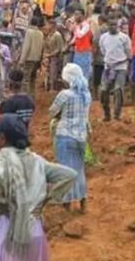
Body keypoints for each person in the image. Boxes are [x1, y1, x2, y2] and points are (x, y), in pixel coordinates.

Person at [0, 114, 76, 261]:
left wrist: (3, 198)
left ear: (2, 138)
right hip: (35, 229)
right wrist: (47, 199)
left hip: (9, 230)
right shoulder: (37, 160)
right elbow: (69, 175)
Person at [50, 63, 90, 213]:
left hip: (65, 135)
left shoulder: (64, 95)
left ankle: (66, 205)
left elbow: (52, 111)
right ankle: (82, 201)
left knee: (65, 170)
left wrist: (59, 116)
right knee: (79, 169)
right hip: (81, 136)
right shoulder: (86, 95)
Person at [99, 19, 131, 121]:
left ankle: (116, 115)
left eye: (114, 25)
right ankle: (106, 114)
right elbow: (103, 50)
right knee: (104, 91)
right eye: (110, 25)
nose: (112, 27)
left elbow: (128, 52)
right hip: (108, 67)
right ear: (107, 26)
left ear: (118, 26)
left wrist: (126, 64)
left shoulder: (124, 38)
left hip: (120, 67)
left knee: (118, 91)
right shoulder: (103, 37)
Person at [19, 20, 45, 96]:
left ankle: (25, 96)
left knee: (25, 79)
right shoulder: (41, 33)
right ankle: (32, 96)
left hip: (28, 58)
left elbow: (27, 46)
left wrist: (22, 59)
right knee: (33, 79)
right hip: (37, 59)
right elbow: (42, 47)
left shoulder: (29, 32)